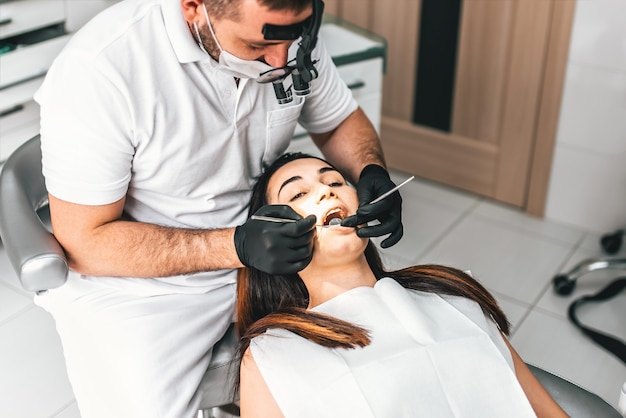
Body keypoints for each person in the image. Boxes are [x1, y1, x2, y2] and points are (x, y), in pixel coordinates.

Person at [33, 0, 402, 417]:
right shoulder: (101, 69)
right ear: (193, 7)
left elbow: (336, 120)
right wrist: (237, 246)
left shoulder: (285, 31)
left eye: (295, 37)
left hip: (274, 254)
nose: (282, 60)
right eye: (256, 45)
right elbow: (85, 243)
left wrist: (370, 169)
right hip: (145, 282)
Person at [237, 153, 568, 417]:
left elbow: (545, 410)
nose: (327, 191)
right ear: (270, 240)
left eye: (336, 181)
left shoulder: (450, 295)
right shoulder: (272, 356)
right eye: (298, 193)